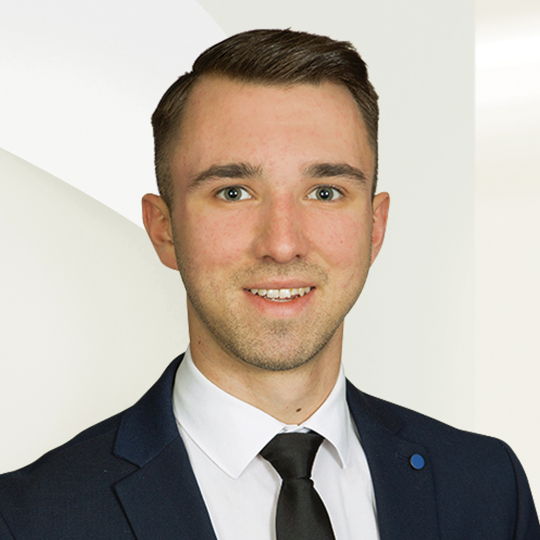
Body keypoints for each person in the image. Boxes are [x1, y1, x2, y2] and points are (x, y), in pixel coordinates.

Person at [0, 28, 538, 540]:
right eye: (233, 192)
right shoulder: (28, 519)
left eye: (325, 192)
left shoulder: (487, 488)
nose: (282, 244)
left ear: (374, 227)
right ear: (163, 229)